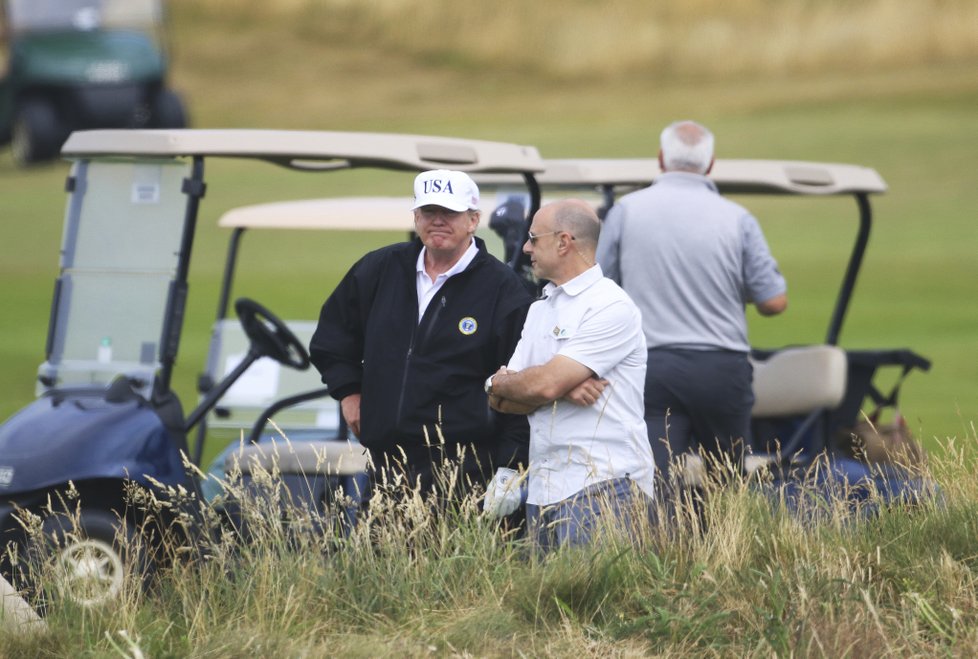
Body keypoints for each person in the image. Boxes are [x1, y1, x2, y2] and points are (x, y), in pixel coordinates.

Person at [309, 169, 533, 505]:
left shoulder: (504, 289)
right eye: (429, 212)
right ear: (416, 217)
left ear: (473, 220)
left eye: (450, 213)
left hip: (466, 468)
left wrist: (511, 467)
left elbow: (521, 383)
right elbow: (333, 337)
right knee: (378, 558)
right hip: (387, 464)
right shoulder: (380, 269)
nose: (438, 221)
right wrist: (349, 393)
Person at [595, 120, 788, 480]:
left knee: (652, 483)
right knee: (727, 485)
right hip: (721, 367)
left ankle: (658, 537)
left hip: (651, 366)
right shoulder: (738, 218)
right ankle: (724, 538)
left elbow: (599, 286)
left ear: (660, 159)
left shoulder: (626, 210)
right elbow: (773, 301)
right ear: (710, 163)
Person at [485, 199, 655, 552]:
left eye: (534, 238)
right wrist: (549, 388)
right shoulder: (539, 309)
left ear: (564, 242)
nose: (527, 248)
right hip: (545, 489)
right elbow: (498, 399)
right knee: (549, 607)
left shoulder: (610, 306)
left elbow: (541, 384)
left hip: (605, 488)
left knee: (603, 607)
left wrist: (538, 386)